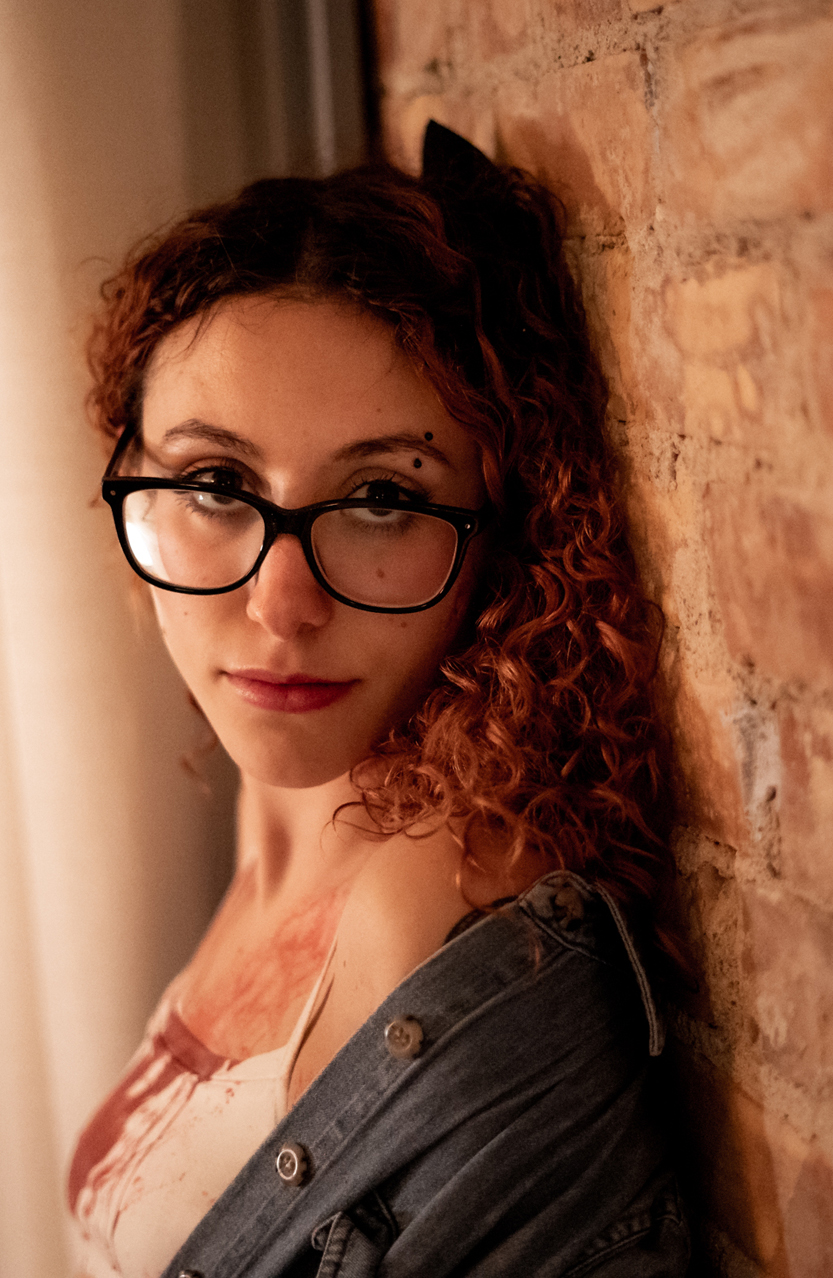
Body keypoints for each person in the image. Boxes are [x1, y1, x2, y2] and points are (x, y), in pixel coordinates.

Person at [67, 122, 689, 1278]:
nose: (281, 600)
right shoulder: (280, 808)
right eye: (213, 484)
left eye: (380, 499)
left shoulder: (440, 898)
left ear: (498, 527)